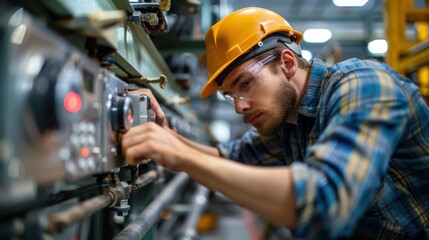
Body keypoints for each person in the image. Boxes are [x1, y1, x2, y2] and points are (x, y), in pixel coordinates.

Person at [121, 7, 429, 239]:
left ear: (287, 63)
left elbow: (326, 202)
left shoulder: (364, 84)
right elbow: (231, 156)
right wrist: (164, 137)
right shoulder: (289, 121)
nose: (240, 106)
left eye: (245, 84)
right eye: (231, 95)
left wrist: (182, 156)